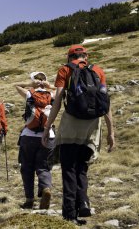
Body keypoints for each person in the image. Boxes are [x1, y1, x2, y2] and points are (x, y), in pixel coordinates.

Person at [42, 45, 115, 225]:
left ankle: (69, 214)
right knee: (82, 168)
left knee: (69, 169)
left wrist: (47, 127)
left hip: (70, 127)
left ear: (69, 57)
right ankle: (83, 202)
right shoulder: (98, 71)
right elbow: (105, 104)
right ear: (85, 57)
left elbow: (58, 101)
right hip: (91, 129)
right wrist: (111, 132)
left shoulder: (65, 70)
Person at [14, 72, 56, 209]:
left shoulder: (29, 94)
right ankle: (46, 188)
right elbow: (64, 89)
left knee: (27, 167)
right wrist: (50, 86)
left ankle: (29, 199)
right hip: (48, 135)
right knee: (43, 166)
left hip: (28, 136)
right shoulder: (52, 95)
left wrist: (29, 85)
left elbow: (16, 85)